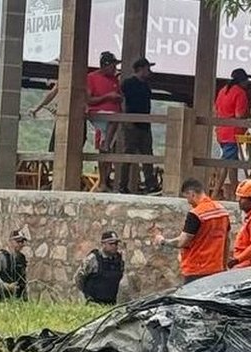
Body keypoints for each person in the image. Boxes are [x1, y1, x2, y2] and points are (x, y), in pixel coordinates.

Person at [152, 178, 231, 284]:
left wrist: (163, 241)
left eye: (187, 197)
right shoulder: (222, 211)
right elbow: (227, 240)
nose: (189, 202)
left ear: (192, 194)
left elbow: (182, 241)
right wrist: (224, 265)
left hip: (196, 270)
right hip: (216, 269)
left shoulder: (196, 214)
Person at [119, 57, 159, 195]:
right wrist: (125, 118)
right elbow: (121, 99)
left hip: (145, 125)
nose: (149, 71)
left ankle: (151, 184)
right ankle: (122, 184)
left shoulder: (145, 85)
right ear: (141, 69)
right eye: (147, 68)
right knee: (128, 154)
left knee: (148, 154)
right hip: (132, 124)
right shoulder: (129, 83)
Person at [214, 68, 251, 199]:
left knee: (232, 162)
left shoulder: (223, 91)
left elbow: (216, 109)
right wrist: (248, 114)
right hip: (232, 132)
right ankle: (215, 193)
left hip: (221, 131)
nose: (248, 82)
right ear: (242, 81)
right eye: (246, 80)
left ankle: (235, 193)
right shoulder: (240, 93)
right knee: (227, 162)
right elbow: (239, 114)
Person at [87, 51, 123, 191]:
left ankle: (105, 182)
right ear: (105, 65)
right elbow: (89, 99)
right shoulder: (91, 78)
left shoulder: (115, 80)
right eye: (113, 66)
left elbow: (119, 97)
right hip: (100, 115)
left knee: (107, 152)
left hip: (114, 117)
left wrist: (118, 98)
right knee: (104, 147)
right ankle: (102, 182)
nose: (115, 69)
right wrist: (108, 97)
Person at [73, 231, 125, 305]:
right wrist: (86, 296)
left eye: (116, 244)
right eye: (111, 244)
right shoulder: (93, 259)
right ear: (103, 244)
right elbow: (79, 277)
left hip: (111, 303)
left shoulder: (119, 260)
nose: (114, 246)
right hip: (93, 303)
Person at [0, 230, 29, 301]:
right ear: (10, 242)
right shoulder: (2, 257)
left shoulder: (21, 258)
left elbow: (22, 280)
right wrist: (6, 286)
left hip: (17, 297)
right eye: (18, 241)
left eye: (22, 242)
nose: (21, 244)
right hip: (2, 297)